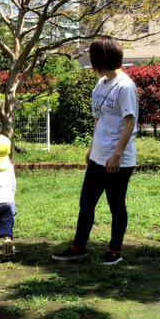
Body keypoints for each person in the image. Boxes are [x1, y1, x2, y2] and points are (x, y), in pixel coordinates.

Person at [53, 36, 137, 265]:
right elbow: (98, 120)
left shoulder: (125, 86)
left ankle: (114, 250)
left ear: (102, 60)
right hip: (99, 157)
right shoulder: (100, 85)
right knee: (86, 204)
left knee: (116, 205)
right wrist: (92, 149)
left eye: (93, 59)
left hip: (118, 160)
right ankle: (78, 247)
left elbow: (130, 122)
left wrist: (116, 155)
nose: (90, 64)